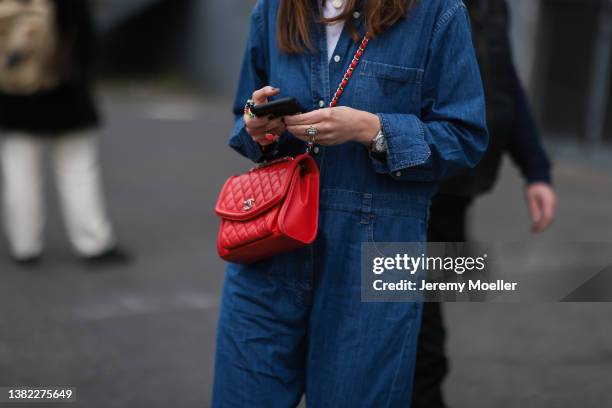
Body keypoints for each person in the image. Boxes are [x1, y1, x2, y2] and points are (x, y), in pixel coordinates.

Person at [213, 0, 488, 406]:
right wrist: (257, 125)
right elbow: (243, 115)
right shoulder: (274, 8)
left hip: (376, 252)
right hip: (269, 249)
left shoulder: (436, 11)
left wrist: (372, 129)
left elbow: (464, 138)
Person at [411, 0, 558, 407]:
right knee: (418, 336)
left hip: (460, 188)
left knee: (425, 311)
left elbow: (503, 79)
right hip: (416, 183)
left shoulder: (492, 6)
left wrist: (536, 170)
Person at [0, 0, 127, 265]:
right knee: (78, 168)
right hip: (64, 92)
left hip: (12, 94)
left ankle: (24, 245)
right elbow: (83, 36)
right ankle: (92, 243)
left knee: (18, 171)